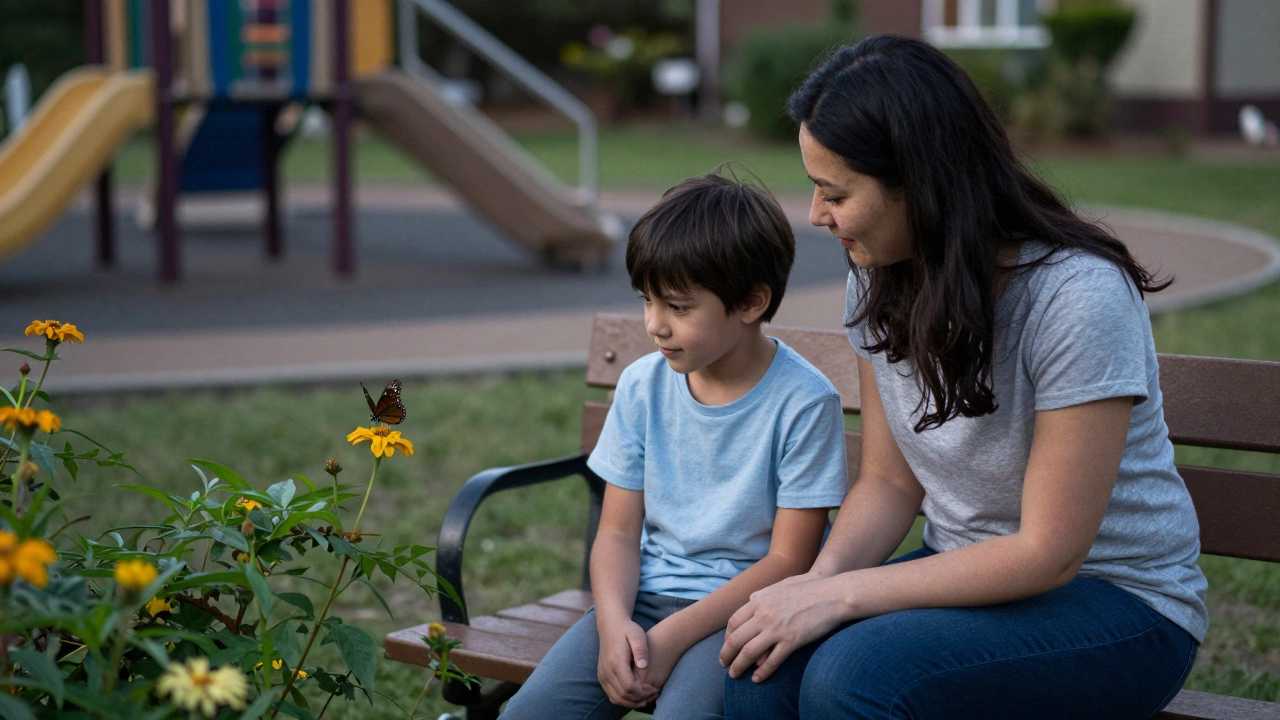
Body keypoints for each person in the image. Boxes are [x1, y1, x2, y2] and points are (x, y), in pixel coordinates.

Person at [719, 35, 1207, 720]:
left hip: (1119, 605)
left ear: (921, 183)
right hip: (962, 573)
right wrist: (816, 585)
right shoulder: (877, 277)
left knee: (853, 679)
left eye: (835, 192)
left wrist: (841, 597)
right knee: (763, 666)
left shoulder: (1077, 297)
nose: (816, 216)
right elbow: (889, 483)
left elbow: (1048, 554)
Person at [501, 171, 850, 720]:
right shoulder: (643, 385)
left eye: (679, 308)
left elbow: (790, 559)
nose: (654, 326)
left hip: (745, 611)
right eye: (646, 301)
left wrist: (668, 638)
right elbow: (616, 532)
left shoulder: (805, 402)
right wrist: (615, 624)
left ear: (752, 302)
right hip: (638, 599)